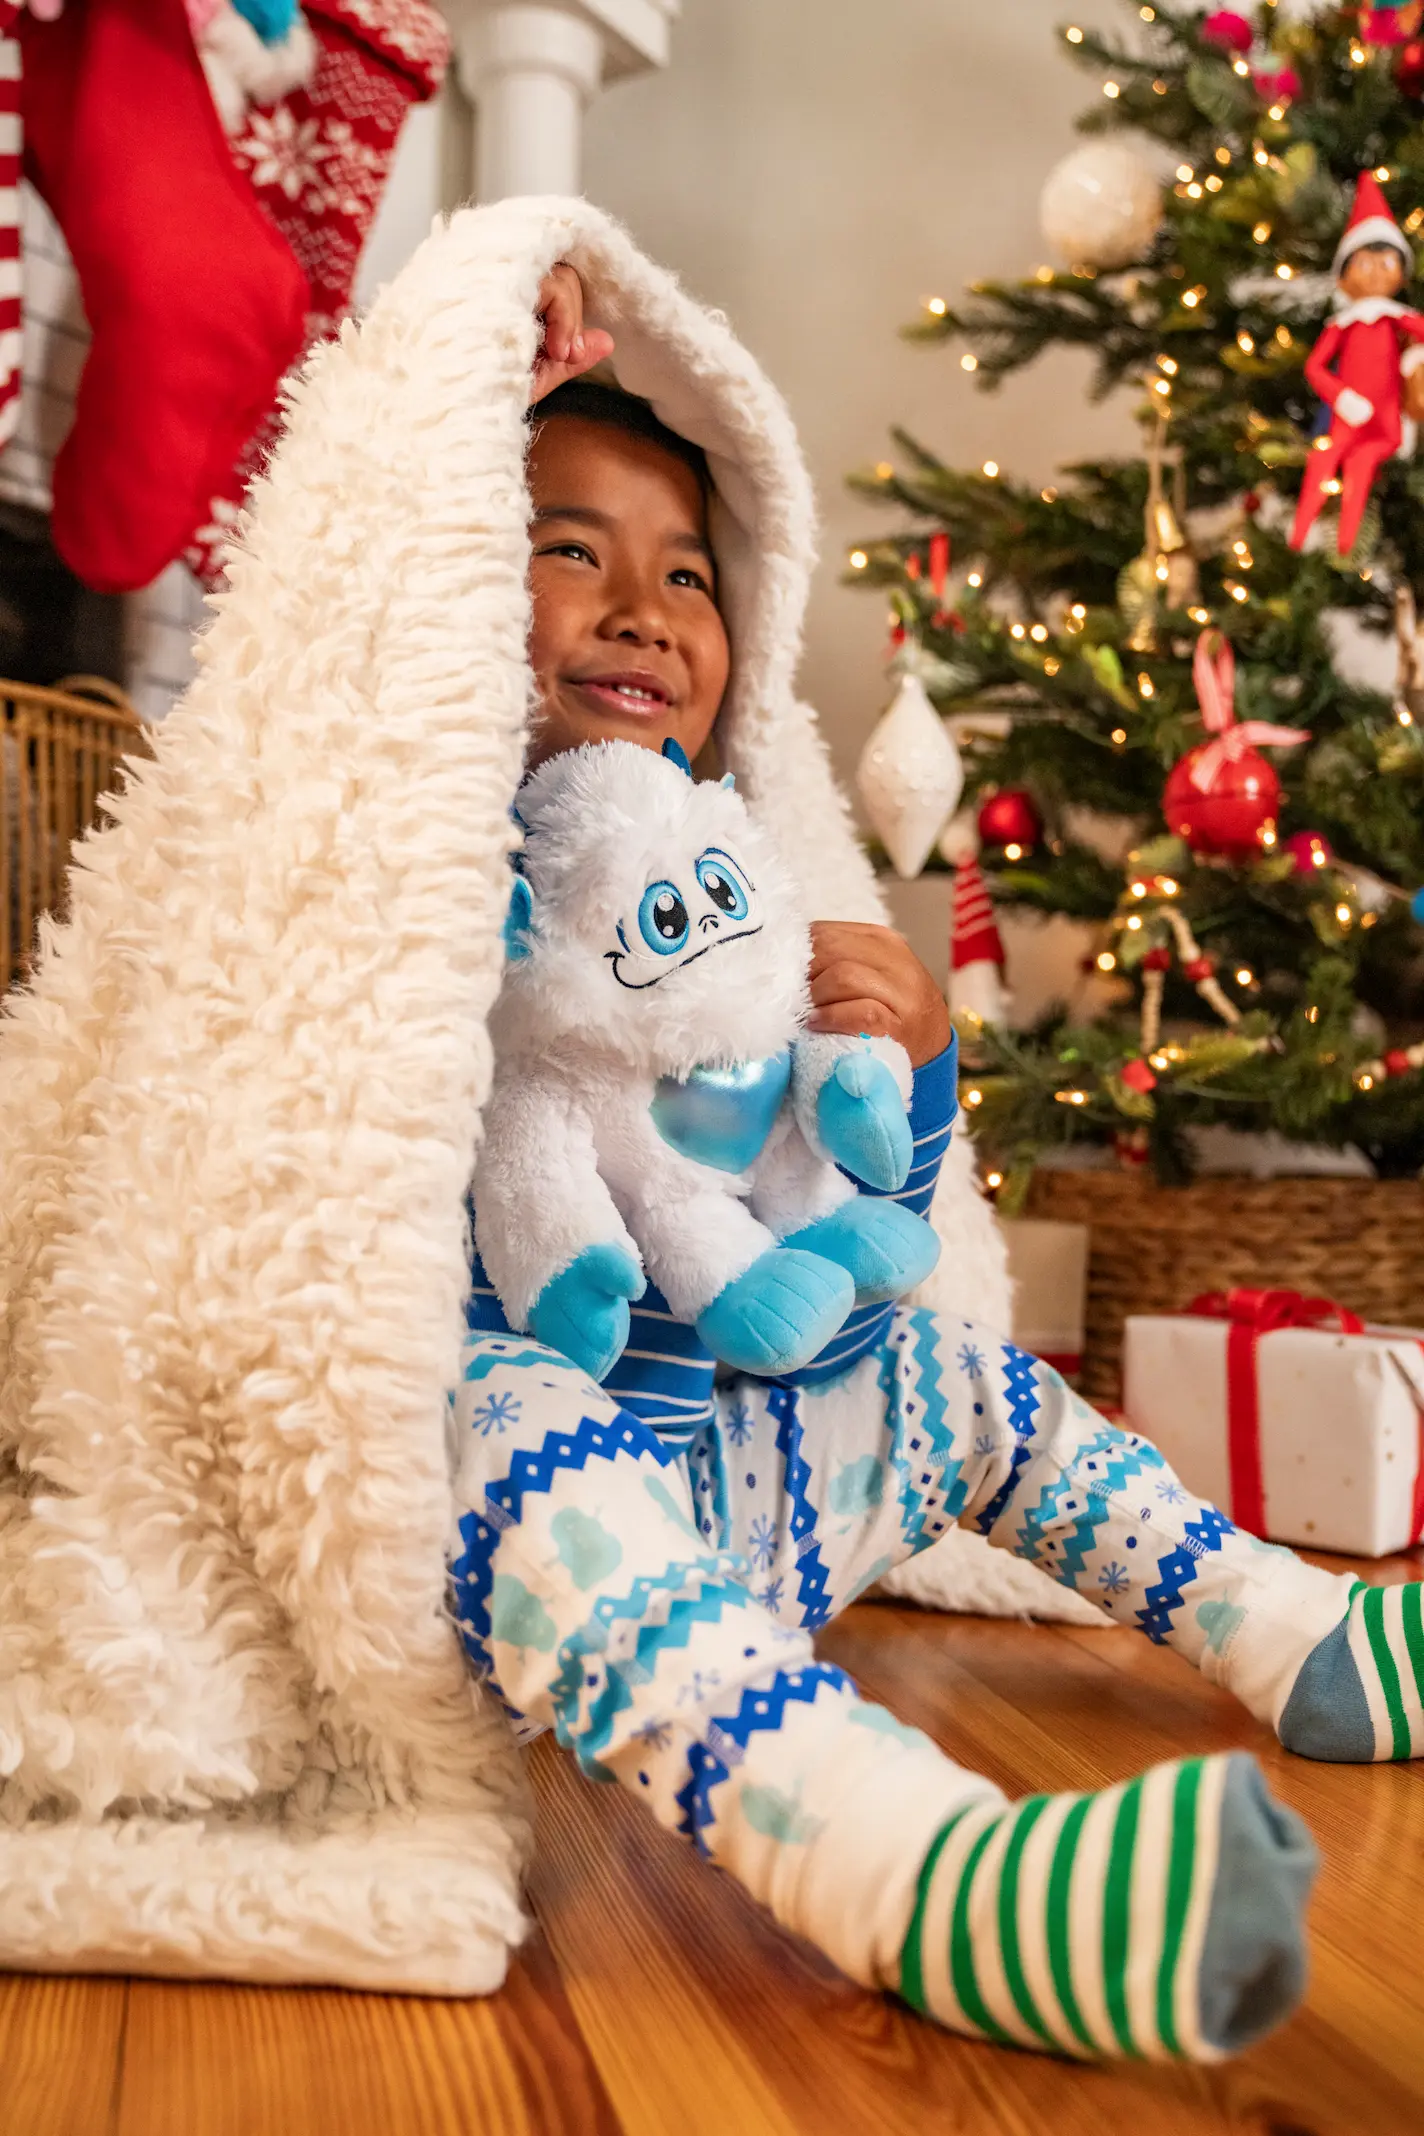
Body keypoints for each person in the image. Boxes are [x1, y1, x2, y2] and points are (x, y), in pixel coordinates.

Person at [444, 258, 1424, 2067]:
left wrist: (910, 1076)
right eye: (569, 548)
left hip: (764, 1483)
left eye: (688, 575)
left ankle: (1297, 1631)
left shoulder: (745, 898)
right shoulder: (424, 875)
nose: (644, 609)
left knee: (966, 1375)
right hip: (551, 1541)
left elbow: (838, 1256)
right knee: (481, 1407)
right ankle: (922, 1869)